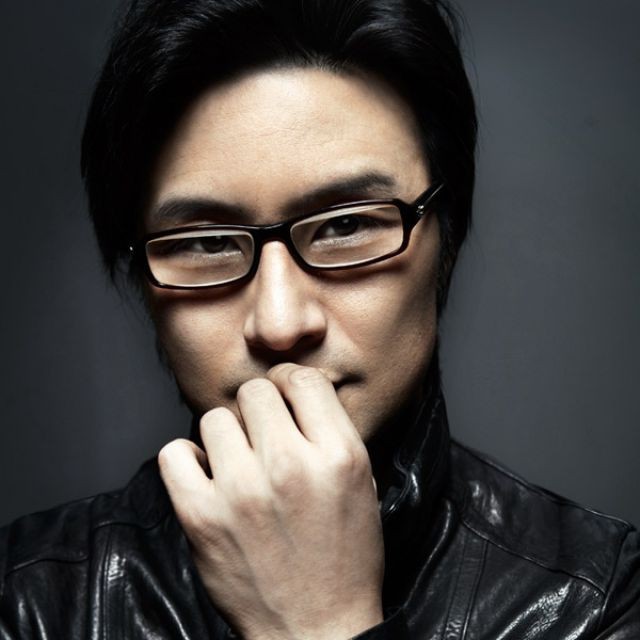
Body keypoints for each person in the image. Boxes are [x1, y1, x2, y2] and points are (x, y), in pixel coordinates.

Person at [1, 0, 638, 638]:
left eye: (346, 226)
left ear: (447, 239)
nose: (280, 324)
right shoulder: (27, 601)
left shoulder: (597, 600)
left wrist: (322, 621)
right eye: (206, 242)